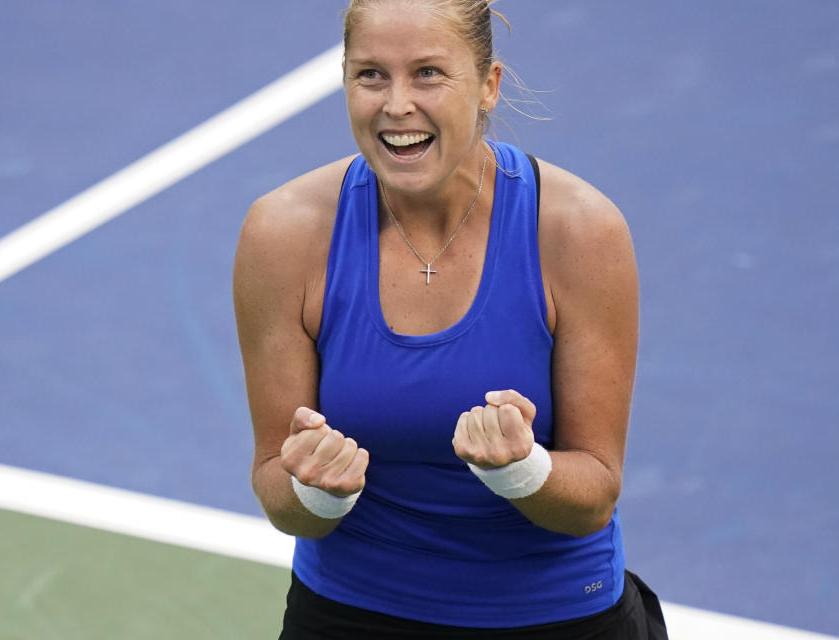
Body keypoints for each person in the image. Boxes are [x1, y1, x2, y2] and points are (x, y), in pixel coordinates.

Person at [233, 1, 668, 637]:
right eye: (371, 75)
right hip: (349, 616)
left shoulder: (579, 231)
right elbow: (276, 487)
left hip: (556, 618)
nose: (397, 104)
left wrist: (522, 469)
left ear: (489, 85)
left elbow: (594, 494)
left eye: (429, 74)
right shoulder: (283, 234)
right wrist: (318, 490)